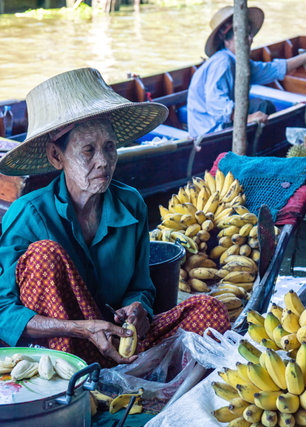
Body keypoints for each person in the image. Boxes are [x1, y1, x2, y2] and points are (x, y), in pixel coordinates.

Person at [0, 68, 230, 366]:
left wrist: (137, 308)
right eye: (88, 151)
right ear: (57, 157)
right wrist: (81, 329)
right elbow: (4, 311)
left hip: (119, 344)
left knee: (209, 311)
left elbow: (142, 286)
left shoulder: (130, 204)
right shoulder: (28, 215)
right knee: (45, 254)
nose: (104, 161)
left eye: (110, 147)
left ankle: (121, 374)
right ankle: (89, 380)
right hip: (61, 350)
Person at [187, 6, 306, 138]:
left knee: (263, 105)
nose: (251, 39)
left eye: (249, 34)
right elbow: (216, 105)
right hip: (210, 129)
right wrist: (249, 118)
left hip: (218, 122)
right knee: (263, 107)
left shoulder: (239, 62)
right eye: (244, 35)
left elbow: (271, 70)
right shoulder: (223, 62)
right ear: (226, 40)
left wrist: (303, 58)